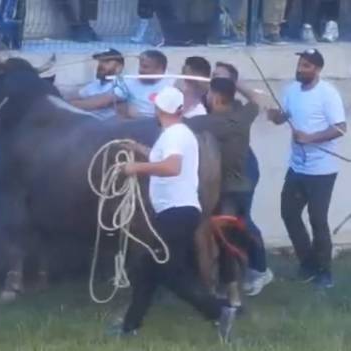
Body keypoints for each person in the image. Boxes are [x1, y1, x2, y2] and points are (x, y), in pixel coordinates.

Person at [111, 86, 236, 341]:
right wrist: (138, 148)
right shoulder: (176, 133)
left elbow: (171, 167)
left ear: (160, 109)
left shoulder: (175, 135)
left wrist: (135, 167)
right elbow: (164, 158)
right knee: (149, 268)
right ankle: (129, 326)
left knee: (166, 271)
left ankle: (218, 311)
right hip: (176, 211)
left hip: (177, 212)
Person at [184, 77, 274, 303]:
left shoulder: (203, 123)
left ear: (214, 98)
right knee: (235, 236)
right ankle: (243, 280)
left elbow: (171, 122)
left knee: (223, 241)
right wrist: (235, 84)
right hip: (243, 187)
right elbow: (256, 98)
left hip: (222, 192)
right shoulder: (243, 117)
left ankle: (228, 289)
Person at [268, 49, 346, 289]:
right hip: (297, 167)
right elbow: (287, 115)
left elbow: (341, 127)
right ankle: (308, 263)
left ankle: (325, 273)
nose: (301, 69)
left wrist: (311, 138)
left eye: (307, 66)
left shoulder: (327, 94)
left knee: (317, 220)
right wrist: (276, 116)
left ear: (317, 69)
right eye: (300, 64)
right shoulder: (292, 90)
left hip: (322, 171)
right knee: (289, 213)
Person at [211, 61, 272, 297]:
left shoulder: (237, 109)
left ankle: (260, 270)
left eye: (221, 78)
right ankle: (228, 274)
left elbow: (257, 100)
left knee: (241, 220)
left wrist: (235, 84)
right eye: (213, 76)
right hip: (218, 172)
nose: (215, 80)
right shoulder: (211, 102)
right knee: (221, 223)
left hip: (243, 171)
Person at [71, 50, 173, 119]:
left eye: (145, 67)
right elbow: (103, 100)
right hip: (134, 126)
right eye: (140, 66)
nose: (140, 70)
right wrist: (66, 105)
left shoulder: (173, 82)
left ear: (160, 69)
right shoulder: (129, 81)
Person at [68, 49, 125, 120]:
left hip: (109, 127)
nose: (101, 65)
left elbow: (98, 103)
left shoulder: (122, 84)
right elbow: (73, 97)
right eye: (100, 61)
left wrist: (65, 104)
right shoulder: (94, 85)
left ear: (119, 68)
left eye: (106, 62)